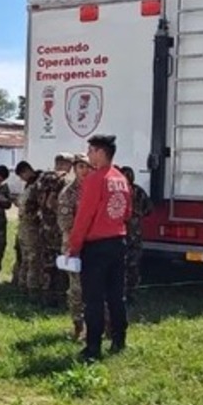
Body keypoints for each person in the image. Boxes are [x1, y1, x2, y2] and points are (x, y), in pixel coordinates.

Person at [67, 134, 132, 362]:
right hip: (118, 241)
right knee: (116, 296)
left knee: (93, 298)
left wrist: (74, 246)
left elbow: (84, 216)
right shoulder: (121, 178)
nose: (89, 154)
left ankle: (93, 347)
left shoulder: (95, 180)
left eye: (91, 151)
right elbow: (127, 213)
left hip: (97, 245)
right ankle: (119, 340)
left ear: (100, 152)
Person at [27, 153, 74, 306]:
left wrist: (37, 220)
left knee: (46, 263)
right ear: (69, 164)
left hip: (44, 227)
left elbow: (30, 204)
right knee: (62, 263)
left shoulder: (40, 180)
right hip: (60, 228)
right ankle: (60, 298)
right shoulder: (67, 181)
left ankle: (44, 296)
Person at [57, 152, 92, 340]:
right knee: (77, 288)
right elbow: (65, 224)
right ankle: (78, 325)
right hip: (75, 246)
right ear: (75, 169)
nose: (84, 171)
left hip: (95, 246)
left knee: (96, 287)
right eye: (80, 167)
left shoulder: (96, 189)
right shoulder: (68, 193)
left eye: (87, 167)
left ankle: (99, 325)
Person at [120, 166, 152, 302]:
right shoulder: (136, 191)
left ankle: (129, 293)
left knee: (131, 266)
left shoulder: (135, 192)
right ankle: (126, 293)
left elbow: (149, 209)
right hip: (126, 235)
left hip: (130, 236)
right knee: (125, 266)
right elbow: (148, 210)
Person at [14, 161, 41, 295]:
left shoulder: (37, 183)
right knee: (28, 257)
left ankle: (28, 287)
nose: (21, 179)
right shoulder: (31, 184)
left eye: (21, 175)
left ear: (27, 171)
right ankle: (27, 287)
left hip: (31, 226)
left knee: (31, 258)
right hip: (27, 226)